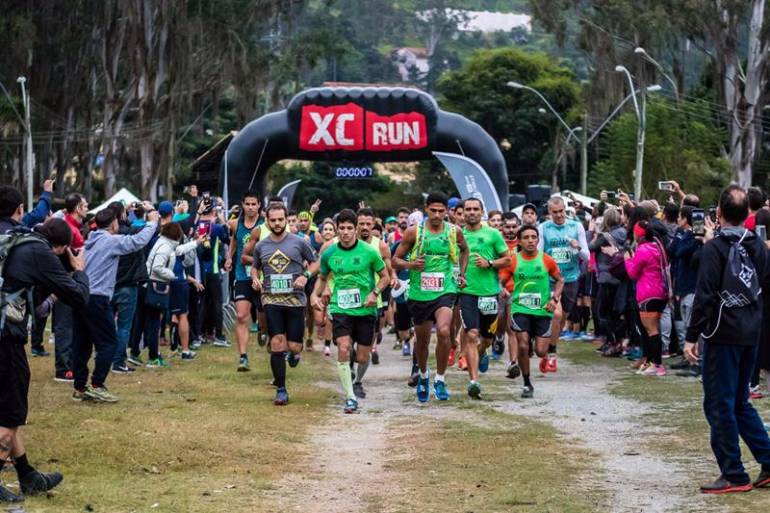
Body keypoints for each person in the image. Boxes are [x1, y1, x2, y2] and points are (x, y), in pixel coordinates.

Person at [0, 202, 90, 502]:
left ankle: (27, 475)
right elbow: (78, 297)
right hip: (5, 339)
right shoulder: (39, 251)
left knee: (5, 410)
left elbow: (37, 309)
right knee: (11, 411)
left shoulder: (12, 238)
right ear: (61, 246)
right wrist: (78, 270)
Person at [684, 185, 770, 493]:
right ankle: (768, 461)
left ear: (718, 213)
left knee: (719, 404)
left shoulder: (714, 248)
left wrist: (691, 336)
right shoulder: (759, 245)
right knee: (739, 402)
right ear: (748, 213)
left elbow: (704, 295)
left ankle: (733, 473)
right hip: (751, 332)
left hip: (722, 333)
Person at [72, 206, 158, 403]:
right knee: (109, 342)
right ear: (113, 224)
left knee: (83, 344)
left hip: (81, 296)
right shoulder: (111, 241)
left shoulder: (90, 241)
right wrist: (153, 221)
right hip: (97, 298)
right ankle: (97, 384)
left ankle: (79, 386)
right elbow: (137, 241)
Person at [392, 192, 469, 403]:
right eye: (433, 211)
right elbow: (395, 260)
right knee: (423, 340)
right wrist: (410, 265)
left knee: (445, 332)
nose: (437, 215)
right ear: (426, 209)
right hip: (419, 293)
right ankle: (424, 375)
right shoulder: (413, 233)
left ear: (447, 211)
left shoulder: (454, 232)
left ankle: (441, 379)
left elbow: (465, 251)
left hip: (445, 289)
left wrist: (461, 274)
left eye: (441, 211)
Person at [312, 209, 389, 413]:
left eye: (349, 228)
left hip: (365, 310)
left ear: (356, 229)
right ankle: (350, 397)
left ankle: (357, 380)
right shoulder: (329, 252)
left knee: (363, 357)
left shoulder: (370, 251)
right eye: (342, 228)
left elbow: (385, 277)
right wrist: (314, 295)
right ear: (337, 230)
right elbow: (322, 276)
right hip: (341, 308)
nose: (345, 232)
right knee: (344, 347)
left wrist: (374, 293)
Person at [251, 203, 317, 406]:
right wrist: (255, 278)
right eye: (273, 220)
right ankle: (281, 389)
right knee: (277, 342)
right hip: (271, 299)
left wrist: (305, 276)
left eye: (281, 220)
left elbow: (315, 263)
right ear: (267, 221)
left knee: (295, 346)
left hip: (295, 300)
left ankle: (294, 353)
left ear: (287, 220)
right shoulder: (261, 245)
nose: (277, 223)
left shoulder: (299, 242)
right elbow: (255, 267)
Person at [499, 224, 563, 398]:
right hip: (520, 308)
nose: (530, 241)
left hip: (542, 310)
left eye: (533, 237)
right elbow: (501, 281)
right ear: (520, 241)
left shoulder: (547, 260)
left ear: (538, 239)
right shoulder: (513, 261)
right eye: (526, 237)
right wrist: (502, 290)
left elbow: (560, 280)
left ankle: (536, 342)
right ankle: (527, 384)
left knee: (541, 351)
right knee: (522, 344)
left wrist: (554, 299)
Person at [458, 198, 510, 399]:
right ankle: (474, 382)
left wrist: (489, 262)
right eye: (468, 209)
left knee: (487, 339)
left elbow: (508, 259)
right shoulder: (457, 235)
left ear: (482, 212)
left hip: (489, 293)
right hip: (467, 292)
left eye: (475, 209)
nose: (471, 212)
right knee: (471, 335)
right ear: (463, 213)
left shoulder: (493, 234)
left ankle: (483, 351)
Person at [538, 196, 589, 371]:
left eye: (561, 211)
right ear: (549, 212)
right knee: (556, 315)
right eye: (555, 212)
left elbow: (587, 257)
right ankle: (551, 353)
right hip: (551, 280)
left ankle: (548, 346)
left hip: (571, 279)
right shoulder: (543, 228)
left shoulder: (576, 226)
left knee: (561, 320)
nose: (559, 215)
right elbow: (538, 256)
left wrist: (577, 247)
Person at [141, 222, 200, 367]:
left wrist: (196, 242)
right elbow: (157, 267)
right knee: (162, 319)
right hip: (158, 285)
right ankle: (155, 356)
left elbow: (179, 250)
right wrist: (172, 275)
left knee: (157, 319)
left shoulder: (166, 244)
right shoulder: (165, 247)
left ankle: (154, 353)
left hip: (158, 284)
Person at [52, 192, 88, 382]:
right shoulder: (67, 228)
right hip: (66, 280)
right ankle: (63, 367)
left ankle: (69, 363)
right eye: (84, 204)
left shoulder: (74, 226)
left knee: (72, 323)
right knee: (64, 324)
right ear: (77, 208)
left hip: (71, 279)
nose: (88, 206)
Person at [228, 191, 261, 371]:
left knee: (264, 318)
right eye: (247, 204)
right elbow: (235, 240)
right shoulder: (236, 223)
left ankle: (263, 331)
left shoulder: (265, 225)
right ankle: (243, 357)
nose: (250, 207)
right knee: (241, 315)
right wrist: (228, 257)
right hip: (242, 275)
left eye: (253, 204)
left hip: (262, 275)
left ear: (259, 205)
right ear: (243, 205)